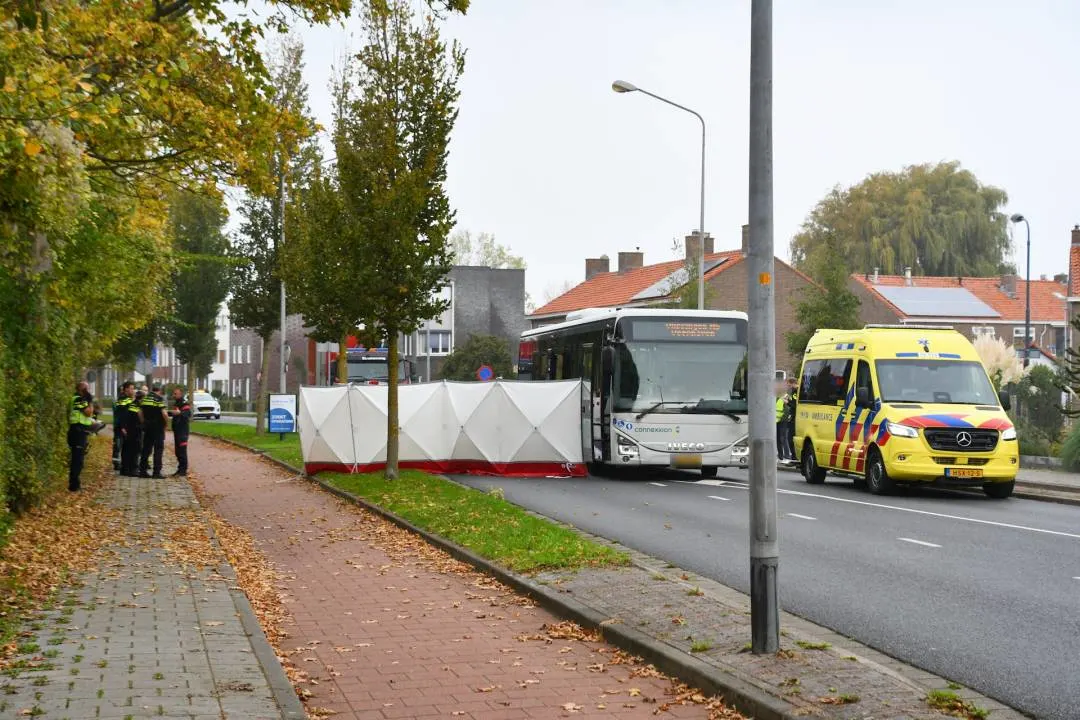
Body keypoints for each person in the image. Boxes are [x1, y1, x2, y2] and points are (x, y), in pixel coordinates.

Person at [67, 381, 95, 491]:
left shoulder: (77, 399)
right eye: (86, 389)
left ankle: (75, 483)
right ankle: (74, 485)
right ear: (80, 390)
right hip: (77, 431)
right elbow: (88, 412)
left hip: (78, 430)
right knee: (77, 459)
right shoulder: (78, 399)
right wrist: (90, 401)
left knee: (78, 458)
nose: (88, 391)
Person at [138, 383, 168, 478]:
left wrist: (144, 422)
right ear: (159, 391)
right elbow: (164, 414)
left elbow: (140, 412)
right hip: (158, 427)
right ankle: (156, 472)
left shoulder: (145, 398)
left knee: (146, 449)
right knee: (158, 449)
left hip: (148, 427)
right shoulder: (158, 399)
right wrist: (166, 424)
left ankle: (142, 471)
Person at [119, 382, 143, 476]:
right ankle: (131, 469)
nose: (133, 391)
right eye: (131, 388)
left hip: (131, 427)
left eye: (133, 389)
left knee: (128, 448)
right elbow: (123, 415)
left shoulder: (128, 400)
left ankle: (126, 469)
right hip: (130, 428)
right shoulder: (125, 400)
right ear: (126, 389)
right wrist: (123, 427)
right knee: (132, 448)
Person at [168, 387, 192, 476]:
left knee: (182, 451)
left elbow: (187, 414)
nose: (174, 395)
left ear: (180, 394)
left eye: (175, 394)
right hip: (177, 431)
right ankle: (180, 469)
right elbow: (174, 413)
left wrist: (179, 413)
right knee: (177, 451)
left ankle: (183, 470)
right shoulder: (177, 403)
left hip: (183, 432)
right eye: (173, 393)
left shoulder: (184, 404)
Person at [775, 380, 794, 463]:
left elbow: (787, 411)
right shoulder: (776, 397)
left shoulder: (786, 397)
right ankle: (780, 456)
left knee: (783, 438)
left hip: (783, 421)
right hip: (776, 421)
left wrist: (782, 419)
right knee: (778, 439)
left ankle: (787, 456)